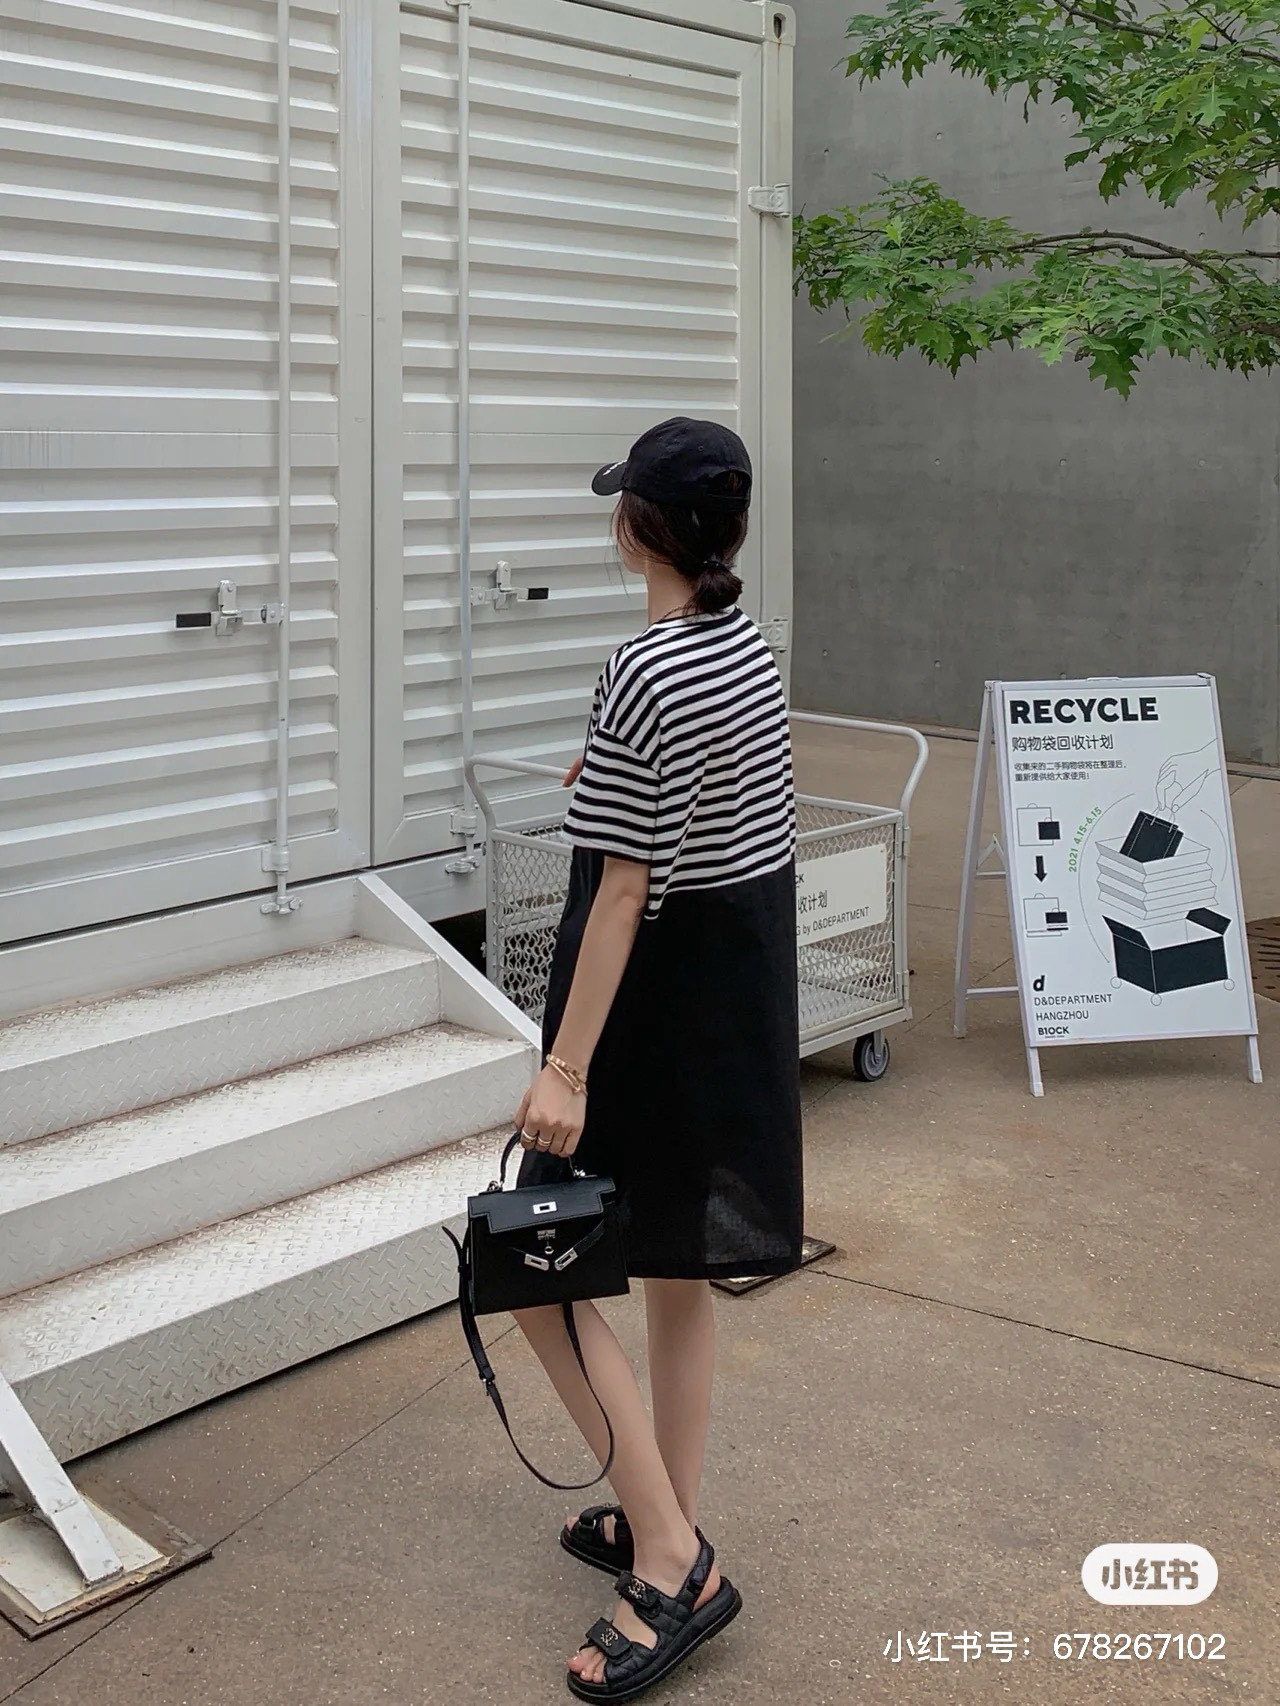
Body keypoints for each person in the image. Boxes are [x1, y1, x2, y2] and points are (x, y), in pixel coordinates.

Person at [511, 417, 804, 1701]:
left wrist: (565, 1069)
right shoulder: (746, 647)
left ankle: (672, 1555)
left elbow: (624, 887)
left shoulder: (641, 667)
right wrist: (609, 775)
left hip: (646, 995)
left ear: (638, 529)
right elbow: (712, 794)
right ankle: (660, 1514)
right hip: (731, 987)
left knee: (533, 1269)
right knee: (676, 1272)